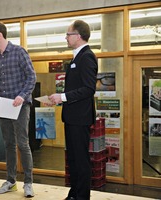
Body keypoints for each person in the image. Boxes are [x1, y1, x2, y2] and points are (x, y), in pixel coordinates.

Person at [48, 20, 98, 200]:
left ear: (78, 36)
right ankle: (74, 194)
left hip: (80, 118)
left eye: (68, 34)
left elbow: (89, 88)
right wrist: (58, 98)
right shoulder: (77, 57)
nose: (66, 38)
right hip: (72, 117)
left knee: (81, 159)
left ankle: (82, 196)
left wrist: (62, 97)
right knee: (74, 160)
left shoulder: (87, 56)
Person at [0, 21, 36, 198]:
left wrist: (22, 95)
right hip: (4, 105)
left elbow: (32, 76)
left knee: (22, 144)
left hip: (20, 105)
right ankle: (11, 181)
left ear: (0, 35)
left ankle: (28, 183)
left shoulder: (19, 52)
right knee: (8, 144)